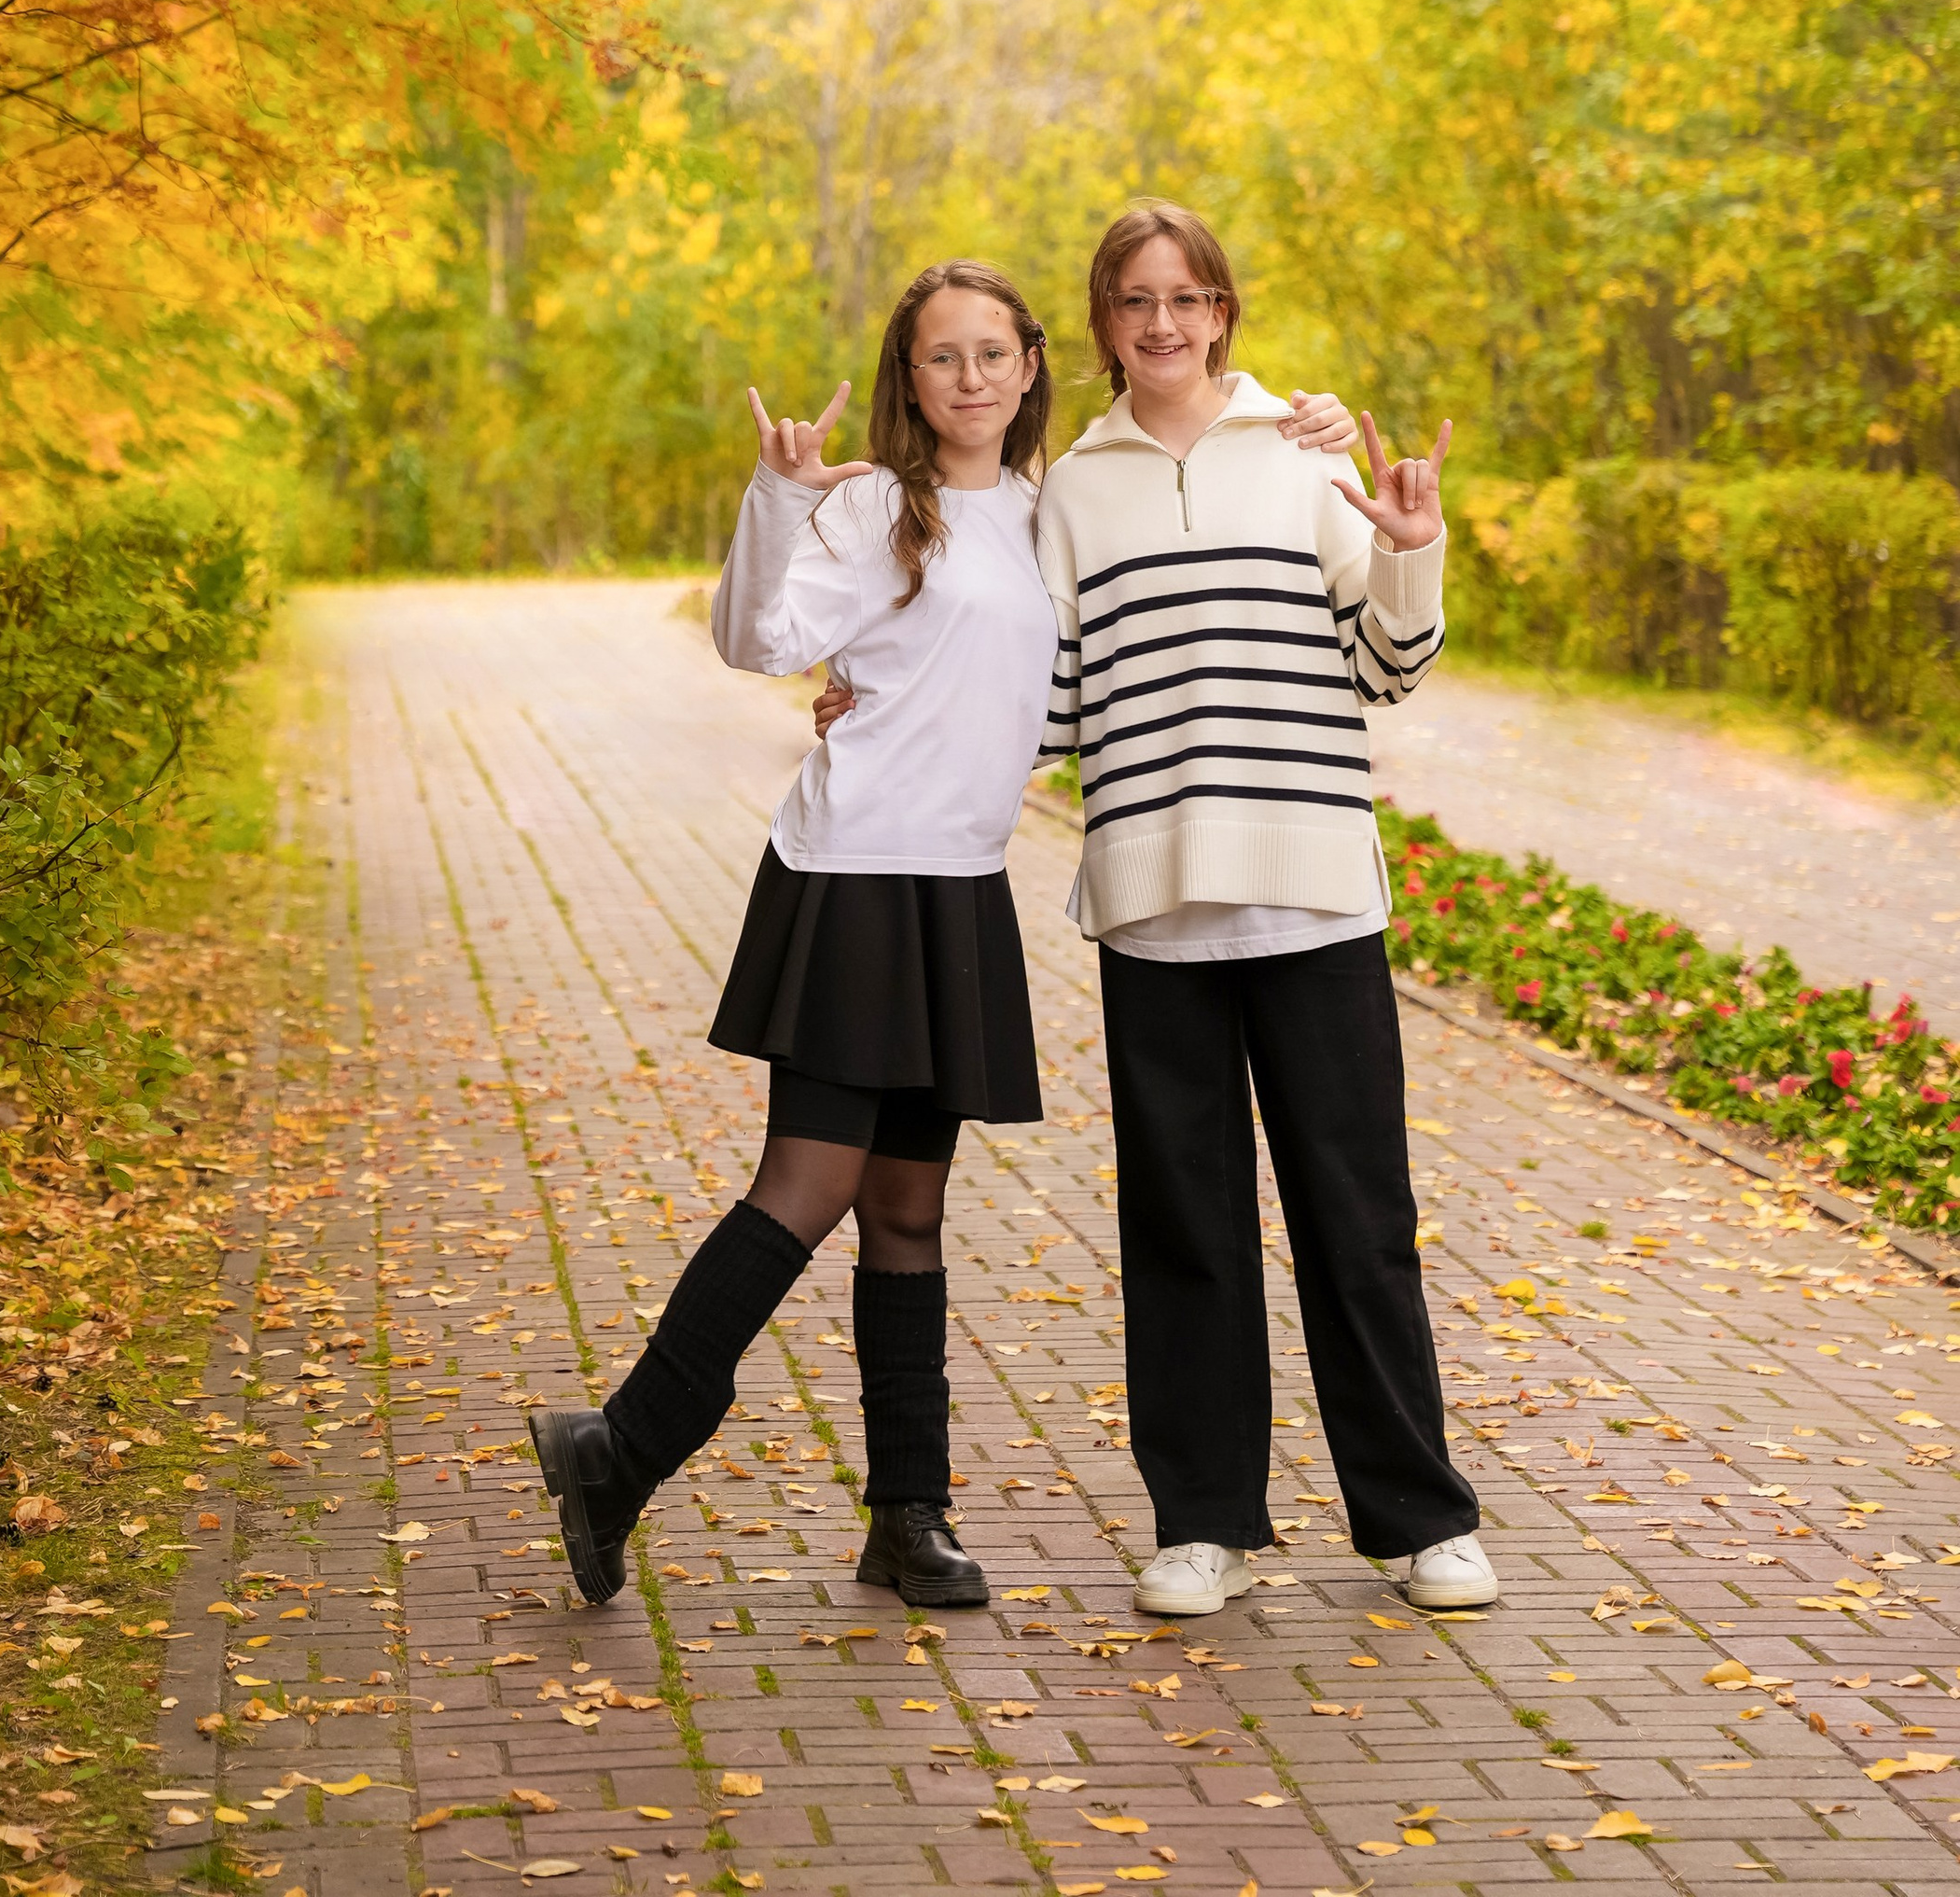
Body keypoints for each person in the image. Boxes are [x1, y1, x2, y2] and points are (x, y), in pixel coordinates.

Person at [529, 255, 1361, 1616]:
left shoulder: (1048, 514)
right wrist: (779, 498)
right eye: (940, 357)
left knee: (909, 1212)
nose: (969, 378)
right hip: (854, 876)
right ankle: (619, 1449)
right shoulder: (871, 511)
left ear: (1032, 365)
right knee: (805, 1188)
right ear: (905, 380)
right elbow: (753, 639)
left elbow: (1069, 671)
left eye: (992, 353)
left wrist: (1306, 426)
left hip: (959, 888)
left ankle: (908, 1518)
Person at [1035, 198, 1489, 1620]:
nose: (1162, 324)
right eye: (1134, 303)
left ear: (1223, 309)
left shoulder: (1307, 450)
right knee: (1186, 1228)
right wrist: (869, 700)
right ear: (1105, 326)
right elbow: (1040, 699)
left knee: (1358, 1218)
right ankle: (1203, 1521)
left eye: (1187, 298)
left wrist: (1411, 544)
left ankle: (1421, 1521)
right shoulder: (1074, 485)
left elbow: (1388, 669)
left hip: (1313, 892)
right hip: (1154, 900)